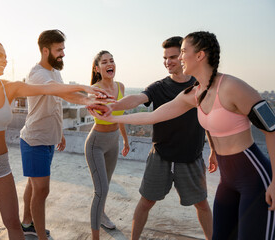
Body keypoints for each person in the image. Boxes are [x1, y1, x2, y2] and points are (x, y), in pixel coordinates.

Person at [89, 31, 275, 240]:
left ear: (200, 55)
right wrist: (113, 116)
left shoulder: (232, 87)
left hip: (254, 176)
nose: (178, 59)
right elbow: (155, 115)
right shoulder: (195, 94)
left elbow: (272, 128)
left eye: (183, 52)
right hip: (228, 181)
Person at [0, 38, 110, 240]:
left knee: (13, 223)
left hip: (1, 164)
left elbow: (49, 89)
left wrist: (85, 93)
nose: (5, 60)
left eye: (6, 56)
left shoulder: (11, 87)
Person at [93, 37, 213, 240]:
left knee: (201, 204)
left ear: (184, 56)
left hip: (191, 157)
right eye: (165, 58)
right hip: (161, 156)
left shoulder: (200, 86)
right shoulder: (159, 87)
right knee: (145, 202)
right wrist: (113, 106)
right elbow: (137, 99)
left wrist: (214, 151)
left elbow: (207, 119)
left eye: (173, 57)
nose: (168, 62)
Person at [19, 30, 113, 240]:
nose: (63, 54)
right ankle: (40, 235)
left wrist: (87, 102)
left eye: (63, 49)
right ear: (45, 51)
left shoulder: (54, 71)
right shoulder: (38, 74)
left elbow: (61, 96)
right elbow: (53, 89)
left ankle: (27, 223)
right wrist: (85, 89)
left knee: (33, 185)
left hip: (48, 138)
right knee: (41, 191)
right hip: (35, 140)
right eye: (59, 50)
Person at [84, 50, 130, 240]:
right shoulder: (95, 88)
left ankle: (101, 215)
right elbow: (93, 108)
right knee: (100, 190)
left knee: (106, 186)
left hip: (113, 142)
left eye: (112, 60)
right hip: (96, 144)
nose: (109, 64)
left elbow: (121, 117)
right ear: (97, 68)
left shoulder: (121, 87)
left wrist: (125, 139)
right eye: (104, 62)